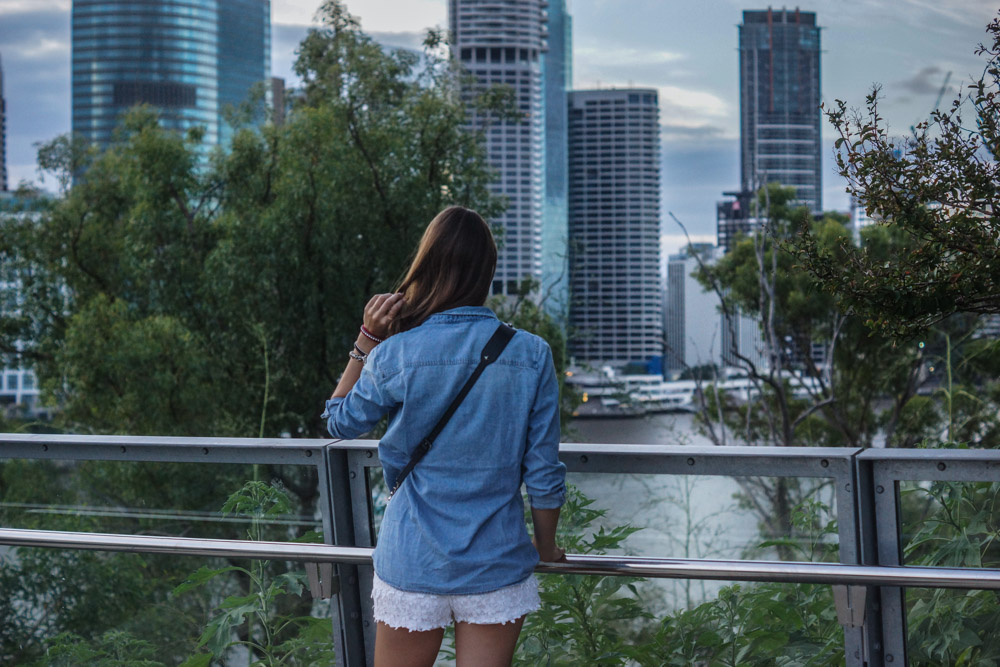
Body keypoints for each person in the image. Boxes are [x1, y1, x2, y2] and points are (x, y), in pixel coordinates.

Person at [322, 206, 567, 667]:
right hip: (496, 561)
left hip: (412, 558)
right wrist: (547, 548)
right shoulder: (532, 354)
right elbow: (543, 472)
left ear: (426, 266)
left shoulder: (395, 353)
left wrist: (365, 341)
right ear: (487, 271)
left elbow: (339, 421)